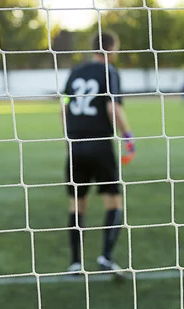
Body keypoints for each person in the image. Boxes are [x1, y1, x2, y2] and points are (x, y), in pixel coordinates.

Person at [61, 31, 135, 278]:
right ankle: (105, 257)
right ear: (111, 48)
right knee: (114, 201)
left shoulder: (75, 72)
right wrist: (128, 137)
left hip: (75, 144)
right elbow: (112, 106)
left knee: (77, 203)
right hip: (100, 143)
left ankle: (75, 262)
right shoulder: (110, 72)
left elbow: (64, 106)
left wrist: (67, 138)